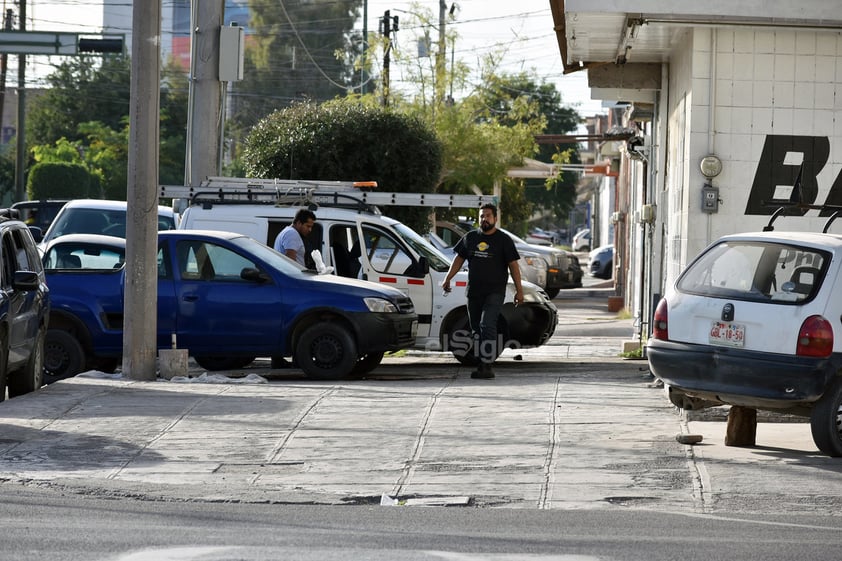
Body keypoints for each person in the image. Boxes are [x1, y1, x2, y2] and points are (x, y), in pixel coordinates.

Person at [441, 203, 524, 379]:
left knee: (487, 325)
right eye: (481, 216)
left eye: (487, 216)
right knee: (476, 329)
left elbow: (514, 267)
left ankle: (487, 364)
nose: (484, 219)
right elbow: (458, 259)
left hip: (495, 292)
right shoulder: (470, 238)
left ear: (495, 218)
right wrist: (448, 278)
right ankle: (482, 364)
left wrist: (519, 290)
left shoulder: (503, 240)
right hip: (474, 292)